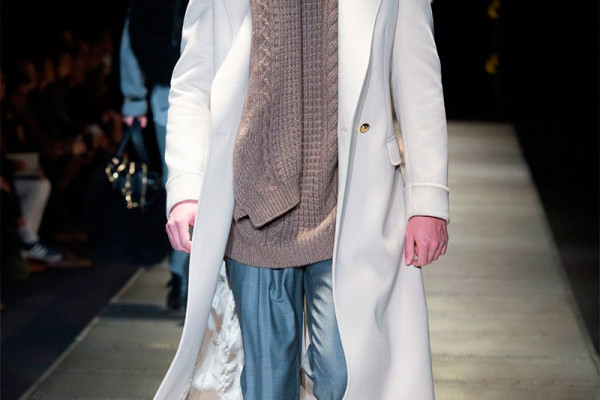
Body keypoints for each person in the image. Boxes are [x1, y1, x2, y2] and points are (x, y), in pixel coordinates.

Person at [157, 0, 450, 399]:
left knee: (346, 376)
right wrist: (186, 186)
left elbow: (419, 80)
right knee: (266, 385)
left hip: (352, 202)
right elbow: (194, 79)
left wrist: (428, 199)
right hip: (252, 209)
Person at [119, 0, 190, 310]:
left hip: (186, 92)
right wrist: (134, 97)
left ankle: (187, 274)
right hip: (171, 95)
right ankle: (181, 272)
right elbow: (134, 32)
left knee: (189, 183)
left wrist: (134, 98)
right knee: (182, 184)